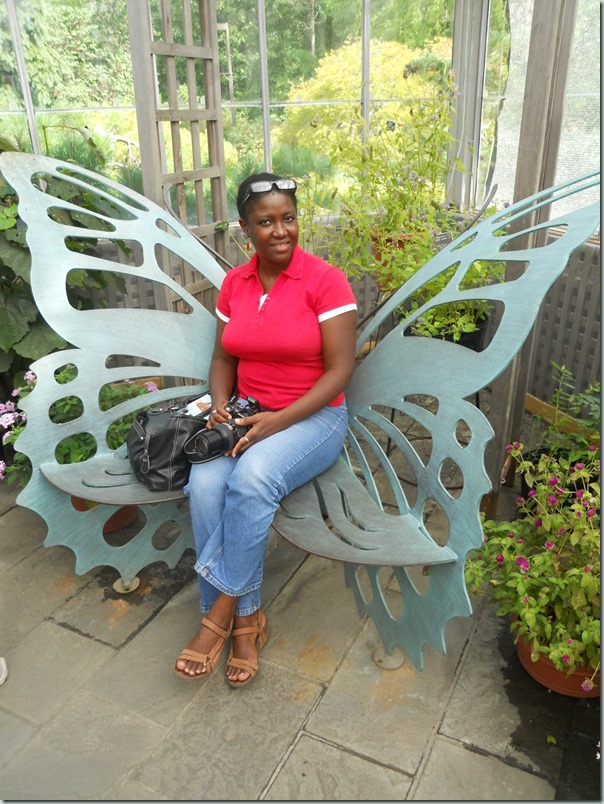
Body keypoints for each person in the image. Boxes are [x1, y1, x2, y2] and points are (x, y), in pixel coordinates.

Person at [174, 173, 357, 687]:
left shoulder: (326, 281)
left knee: (251, 479)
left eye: (289, 218)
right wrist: (219, 404)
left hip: (313, 418)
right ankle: (248, 619)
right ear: (245, 229)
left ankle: (218, 618)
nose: (281, 230)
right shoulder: (235, 284)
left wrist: (279, 419)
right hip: (247, 412)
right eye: (266, 221)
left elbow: (341, 371)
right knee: (205, 484)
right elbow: (221, 355)